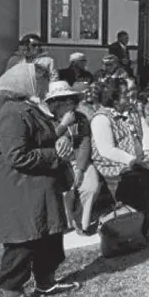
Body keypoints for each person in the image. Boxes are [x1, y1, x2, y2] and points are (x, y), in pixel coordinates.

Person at [0, 63, 80, 297]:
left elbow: (44, 137)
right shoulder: (13, 114)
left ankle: (45, 282)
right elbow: (17, 156)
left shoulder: (30, 109)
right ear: (25, 84)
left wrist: (60, 141)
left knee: (49, 236)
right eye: (39, 80)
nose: (44, 85)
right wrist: (55, 155)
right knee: (24, 242)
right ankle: (12, 295)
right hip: (19, 190)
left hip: (38, 186)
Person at [90, 79, 149, 234]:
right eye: (125, 93)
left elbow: (145, 130)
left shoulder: (132, 110)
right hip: (114, 163)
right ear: (114, 98)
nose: (129, 95)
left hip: (138, 159)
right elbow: (106, 150)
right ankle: (139, 220)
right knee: (136, 180)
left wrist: (147, 152)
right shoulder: (101, 119)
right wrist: (132, 160)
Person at [44, 81, 101, 235]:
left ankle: (83, 223)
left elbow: (84, 141)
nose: (71, 105)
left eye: (71, 100)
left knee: (91, 186)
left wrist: (81, 168)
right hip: (58, 164)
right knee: (65, 193)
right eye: (65, 101)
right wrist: (63, 125)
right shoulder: (46, 120)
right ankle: (67, 223)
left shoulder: (80, 118)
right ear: (55, 104)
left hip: (78, 160)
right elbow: (46, 142)